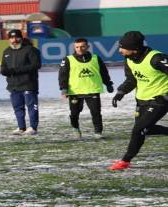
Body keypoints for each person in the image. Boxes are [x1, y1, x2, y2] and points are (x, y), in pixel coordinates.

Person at [109, 31, 168, 171]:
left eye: (123, 47)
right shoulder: (129, 59)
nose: (119, 50)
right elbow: (132, 79)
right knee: (145, 130)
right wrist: (121, 92)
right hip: (141, 100)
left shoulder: (156, 58)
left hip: (159, 101)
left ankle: (125, 161)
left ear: (134, 48)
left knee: (138, 130)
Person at [58, 38, 114, 139]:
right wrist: (64, 89)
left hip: (92, 90)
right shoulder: (68, 59)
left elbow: (104, 72)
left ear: (88, 47)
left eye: (82, 46)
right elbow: (63, 75)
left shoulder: (96, 58)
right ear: (74, 47)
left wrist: (108, 84)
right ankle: (76, 129)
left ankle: (98, 133)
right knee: (74, 113)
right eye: (77, 47)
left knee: (96, 112)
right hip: (75, 91)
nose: (80, 49)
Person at [1, 29, 41, 136]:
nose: (14, 40)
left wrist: (16, 70)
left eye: (16, 37)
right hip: (13, 85)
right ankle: (21, 127)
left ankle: (33, 127)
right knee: (18, 108)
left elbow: (36, 65)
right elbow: (3, 67)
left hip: (28, 84)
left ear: (21, 38)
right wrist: (4, 71)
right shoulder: (6, 52)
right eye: (12, 38)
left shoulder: (30, 50)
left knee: (31, 107)